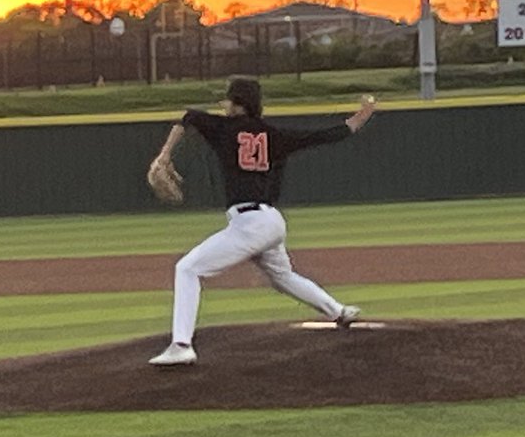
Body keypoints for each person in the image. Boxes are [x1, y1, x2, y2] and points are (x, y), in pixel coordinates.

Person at [147, 78, 378, 366]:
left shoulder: (224, 128)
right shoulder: (273, 135)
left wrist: (164, 155)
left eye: (229, 100)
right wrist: (360, 117)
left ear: (238, 104)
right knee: (283, 277)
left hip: (249, 224)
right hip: (271, 221)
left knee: (187, 268)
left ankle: (181, 345)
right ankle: (339, 311)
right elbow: (322, 135)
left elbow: (187, 117)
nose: (225, 104)